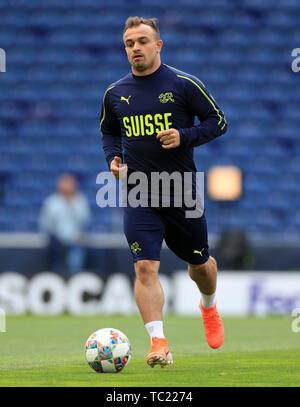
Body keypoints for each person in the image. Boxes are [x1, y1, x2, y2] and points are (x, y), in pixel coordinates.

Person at [100, 16, 228, 368]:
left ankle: (209, 306)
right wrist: (113, 159)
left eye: (142, 41)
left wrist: (183, 136)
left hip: (182, 191)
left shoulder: (184, 84)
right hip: (139, 190)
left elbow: (218, 121)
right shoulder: (115, 93)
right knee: (144, 267)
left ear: (158, 45)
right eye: (129, 43)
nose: (135, 48)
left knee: (200, 264)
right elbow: (110, 133)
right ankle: (159, 342)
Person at [39, 173, 91, 273]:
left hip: (75, 240)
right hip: (57, 242)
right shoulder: (52, 201)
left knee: (76, 260)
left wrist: (71, 205)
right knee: (56, 264)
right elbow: (46, 223)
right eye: (65, 183)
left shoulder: (80, 200)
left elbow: (84, 219)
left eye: (70, 183)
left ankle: (74, 277)